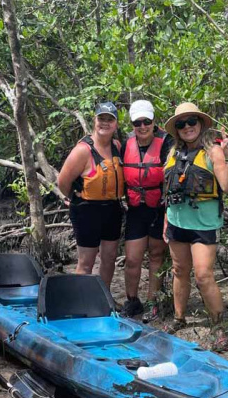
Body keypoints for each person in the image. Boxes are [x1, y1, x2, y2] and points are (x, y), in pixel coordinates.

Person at [161, 102, 228, 328]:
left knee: (203, 276)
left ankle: (219, 325)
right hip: (176, 222)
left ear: (200, 123)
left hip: (203, 225)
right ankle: (179, 318)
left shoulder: (213, 152)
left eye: (191, 121)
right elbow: (170, 190)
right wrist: (166, 220)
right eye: (181, 124)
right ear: (176, 130)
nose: (187, 127)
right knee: (179, 270)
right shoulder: (173, 153)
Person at [57, 102, 125, 290]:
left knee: (109, 258)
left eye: (110, 119)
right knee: (86, 262)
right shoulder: (83, 150)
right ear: (94, 120)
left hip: (112, 209)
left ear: (116, 124)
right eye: (101, 118)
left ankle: (104, 297)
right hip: (87, 210)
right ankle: (83, 300)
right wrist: (74, 196)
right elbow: (62, 182)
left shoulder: (116, 146)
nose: (105, 123)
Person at [120, 100, 173, 321]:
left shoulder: (167, 142)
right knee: (132, 259)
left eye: (147, 121)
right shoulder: (125, 143)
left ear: (153, 121)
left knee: (156, 255)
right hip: (135, 209)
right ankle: (132, 301)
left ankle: (153, 302)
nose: (142, 126)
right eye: (137, 123)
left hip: (158, 208)